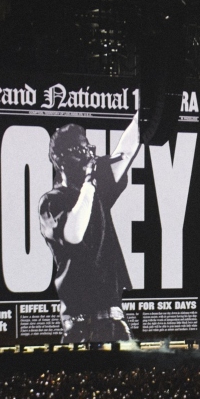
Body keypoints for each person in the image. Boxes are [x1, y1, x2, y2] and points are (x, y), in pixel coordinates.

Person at [39, 114, 144, 344]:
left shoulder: (96, 186)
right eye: (83, 149)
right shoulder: (52, 202)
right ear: (64, 158)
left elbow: (124, 153)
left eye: (90, 149)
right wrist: (89, 180)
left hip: (111, 313)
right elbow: (74, 234)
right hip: (79, 320)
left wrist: (143, 113)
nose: (90, 155)